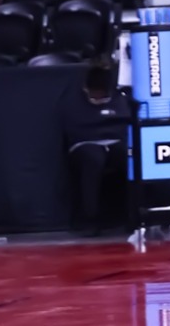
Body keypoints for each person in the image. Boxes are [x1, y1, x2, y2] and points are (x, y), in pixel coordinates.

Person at [59, 58, 136, 232]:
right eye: (95, 95)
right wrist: (104, 128)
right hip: (84, 144)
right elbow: (74, 130)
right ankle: (89, 220)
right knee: (94, 158)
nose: (98, 99)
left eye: (102, 95)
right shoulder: (71, 100)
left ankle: (133, 216)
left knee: (130, 157)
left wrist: (107, 132)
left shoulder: (118, 97)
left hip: (114, 142)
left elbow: (123, 123)